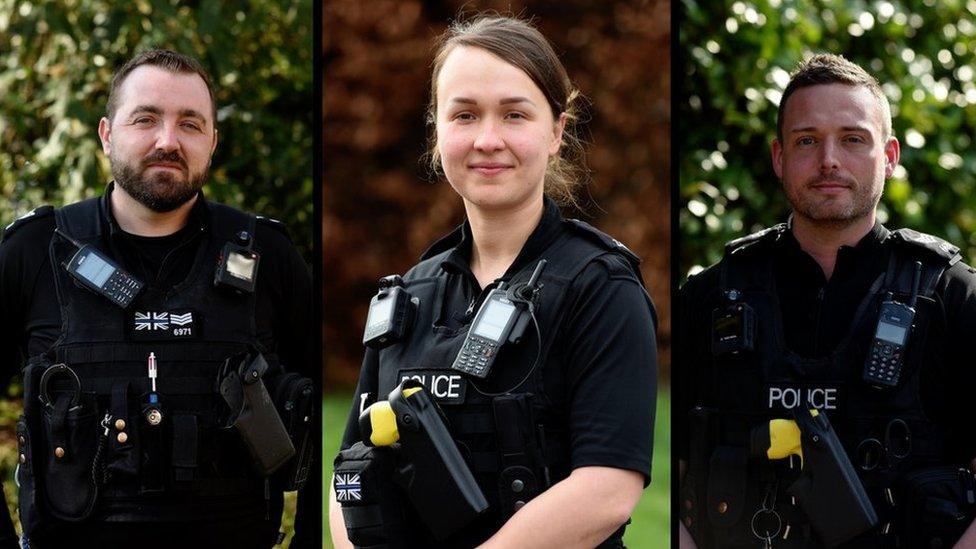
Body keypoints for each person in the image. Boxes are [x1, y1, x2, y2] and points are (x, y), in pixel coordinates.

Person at [329, 15, 657, 548]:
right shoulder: (408, 294)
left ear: (556, 131)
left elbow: (608, 489)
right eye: (464, 115)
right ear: (438, 132)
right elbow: (349, 471)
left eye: (513, 114)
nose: (487, 139)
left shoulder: (601, 288)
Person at [0, 50, 315, 548]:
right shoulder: (34, 251)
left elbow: (329, 409)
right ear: (107, 133)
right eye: (145, 119)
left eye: (190, 124)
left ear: (212, 142)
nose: (167, 141)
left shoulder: (267, 255)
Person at [678, 54, 976, 548]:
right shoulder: (709, 298)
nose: (829, 160)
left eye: (853, 139)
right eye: (807, 141)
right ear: (779, 158)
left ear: (890, 156)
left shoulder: (954, 298)